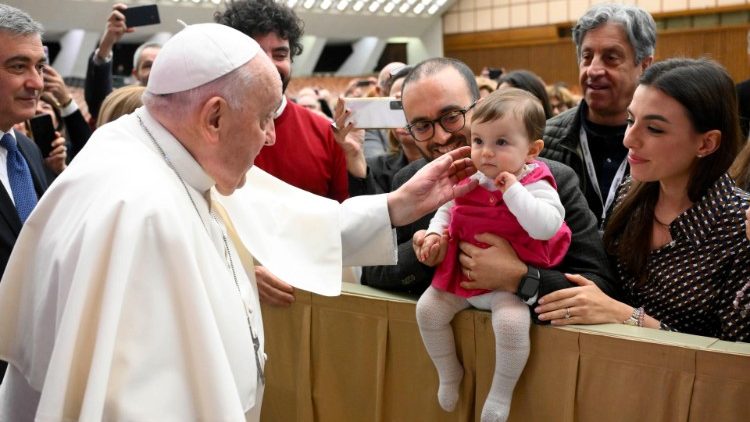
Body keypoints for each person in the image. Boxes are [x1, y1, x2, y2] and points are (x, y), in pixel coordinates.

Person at [0, 23, 477, 421]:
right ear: (213, 117)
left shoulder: (163, 150)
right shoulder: (138, 208)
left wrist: (399, 204)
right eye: (265, 119)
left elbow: (282, 216)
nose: (271, 138)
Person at [361, 57, 615, 311]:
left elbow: (599, 284)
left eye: (451, 116)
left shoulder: (550, 179)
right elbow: (371, 272)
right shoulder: (410, 180)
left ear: (479, 108)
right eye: (422, 125)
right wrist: (426, 256)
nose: (441, 136)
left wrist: (521, 278)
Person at [534, 58, 750, 342]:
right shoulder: (632, 193)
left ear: (706, 143)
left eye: (655, 129)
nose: (629, 139)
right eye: (631, 120)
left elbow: (733, 357)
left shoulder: (738, 225)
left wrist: (626, 316)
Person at [416, 88, 572, 421]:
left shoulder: (537, 183)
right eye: (478, 141)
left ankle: (500, 395)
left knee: (513, 326)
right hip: (462, 277)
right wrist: (433, 234)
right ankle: (448, 372)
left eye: (501, 143)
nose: (486, 153)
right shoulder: (472, 179)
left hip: (507, 287)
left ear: (531, 150)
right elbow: (446, 210)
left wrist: (513, 190)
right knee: (427, 311)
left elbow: (546, 227)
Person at [215, 0, 350, 305]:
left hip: (312, 299)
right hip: (229, 298)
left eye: (281, 54)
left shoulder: (325, 132)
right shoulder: (209, 130)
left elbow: (341, 220)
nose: (272, 64)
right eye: (257, 53)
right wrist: (238, 268)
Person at [542, 3, 656, 228]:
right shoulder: (543, 141)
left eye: (611, 58)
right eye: (587, 57)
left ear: (644, 66)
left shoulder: (663, 143)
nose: (593, 70)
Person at [345, 64, 421, 196]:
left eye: (411, 102)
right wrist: (355, 156)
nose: (404, 113)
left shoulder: (455, 163)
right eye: (396, 104)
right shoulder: (375, 168)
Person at [85, 2, 161, 121]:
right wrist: (107, 43)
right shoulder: (123, 104)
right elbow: (100, 104)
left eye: (161, 64)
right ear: (136, 74)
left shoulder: (183, 104)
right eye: (148, 66)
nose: (156, 70)